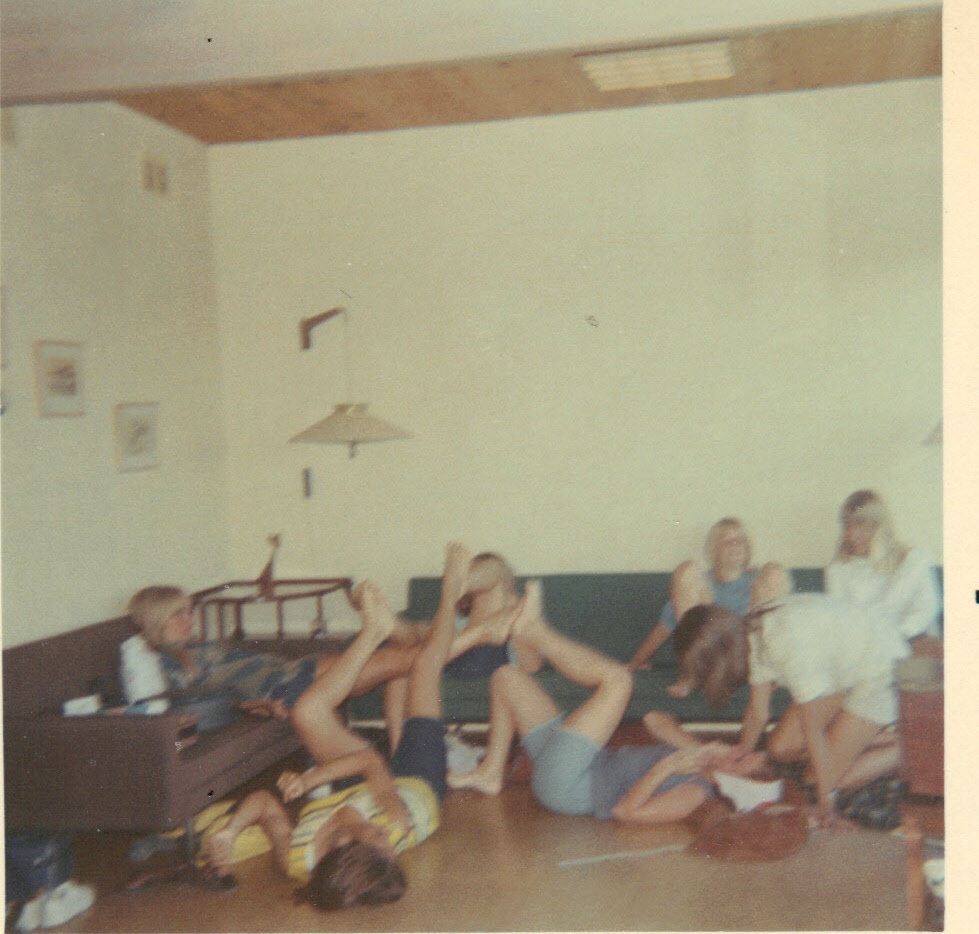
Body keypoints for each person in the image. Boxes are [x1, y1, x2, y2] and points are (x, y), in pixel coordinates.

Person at [200, 544, 517, 909]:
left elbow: (265, 805)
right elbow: (369, 764)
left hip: (354, 791)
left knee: (307, 713)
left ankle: (373, 633)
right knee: (425, 666)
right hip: (415, 783)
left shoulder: (297, 858)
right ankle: (450, 593)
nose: (389, 841)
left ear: (345, 847)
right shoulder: (396, 822)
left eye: (379, 843)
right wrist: (310, 780)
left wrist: (229, 833)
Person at [448, 580, 753, 825]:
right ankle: (491, 772)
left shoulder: (695, 792)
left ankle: (534, 631)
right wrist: (703, 750)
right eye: (741, 752)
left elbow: (626, 812)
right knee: (506, 677)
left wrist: (668, 766)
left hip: (572, 786)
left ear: (733, 783)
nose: (734, 751)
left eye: (738, 761)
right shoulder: (697, 759)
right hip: (578, 763)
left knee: (618, 681)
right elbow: (655, 721)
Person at [672, 592, 909, 828]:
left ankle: (907, 749)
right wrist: (742, 750)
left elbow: (813, 730)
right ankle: (861, 741)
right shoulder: (749, 632)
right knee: (780, 748)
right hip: (846, 668)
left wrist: (826, 800)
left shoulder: (786, 644)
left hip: (884, 671)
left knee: (818, 780)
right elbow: (758, 712)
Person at [626, 518, 790, 698]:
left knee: (774, 571)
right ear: (713, 550)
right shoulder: (697, 585)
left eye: (740, 540)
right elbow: (664, 627)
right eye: (727, 540)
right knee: (686, 570)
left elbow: (788, 622)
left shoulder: (761, 581)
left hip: (751, 661)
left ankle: (772, 671)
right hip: (709, 663)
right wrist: (635, 662)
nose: (735, 544)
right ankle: (692, 674)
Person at [825, 489, 941, 644]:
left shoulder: (913, 559)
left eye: (861, 526)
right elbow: (840, 617)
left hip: (911, 640)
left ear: (879, 527)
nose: (852, 535)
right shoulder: (838, 568)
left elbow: (926, 608)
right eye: (848, 526)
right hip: (864, 645)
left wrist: (898, 636)